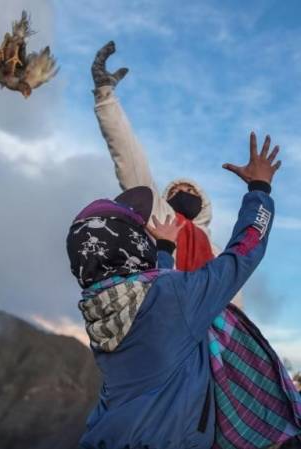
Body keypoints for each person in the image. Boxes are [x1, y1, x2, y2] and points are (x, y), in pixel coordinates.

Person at [69, 133, 284, 448]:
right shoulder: (177, 298)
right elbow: (245, 250)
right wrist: (260, 190)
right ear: (134, 246)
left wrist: (166, 249)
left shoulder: (97, 307)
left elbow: (154, 295)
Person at [90, 41, 244, 307]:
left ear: (204, 204)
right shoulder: (161, 219)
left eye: (191, 192)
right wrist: (106, 96)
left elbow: (235, 311)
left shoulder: (219, 254)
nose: (182, 193)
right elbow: (128, 156)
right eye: (174, 191)